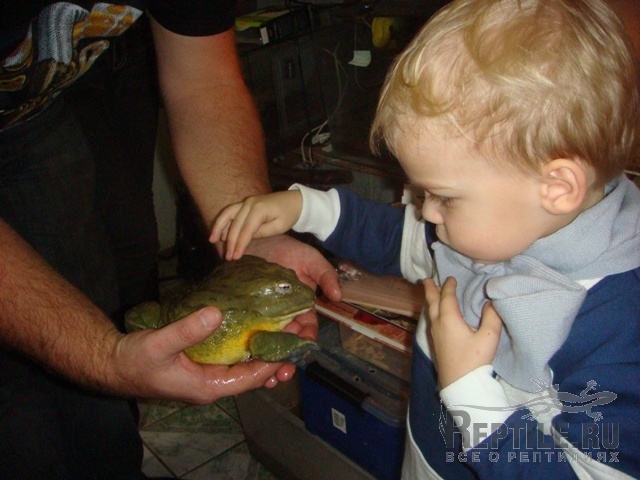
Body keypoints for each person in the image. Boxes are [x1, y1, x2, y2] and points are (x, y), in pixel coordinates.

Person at [211, 0, 640, 478]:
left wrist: (469, 388)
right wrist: (305, 207)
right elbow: (393, 237)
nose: (426, 212)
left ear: (556, 188)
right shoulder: (489, 227)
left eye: (444, 197)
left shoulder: (618, 331)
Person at [0, 2, 341, 479]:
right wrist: (102, 358)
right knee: (22, 397)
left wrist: (252, 234)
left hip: (33, 111)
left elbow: (205, 83)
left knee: (94, 315)